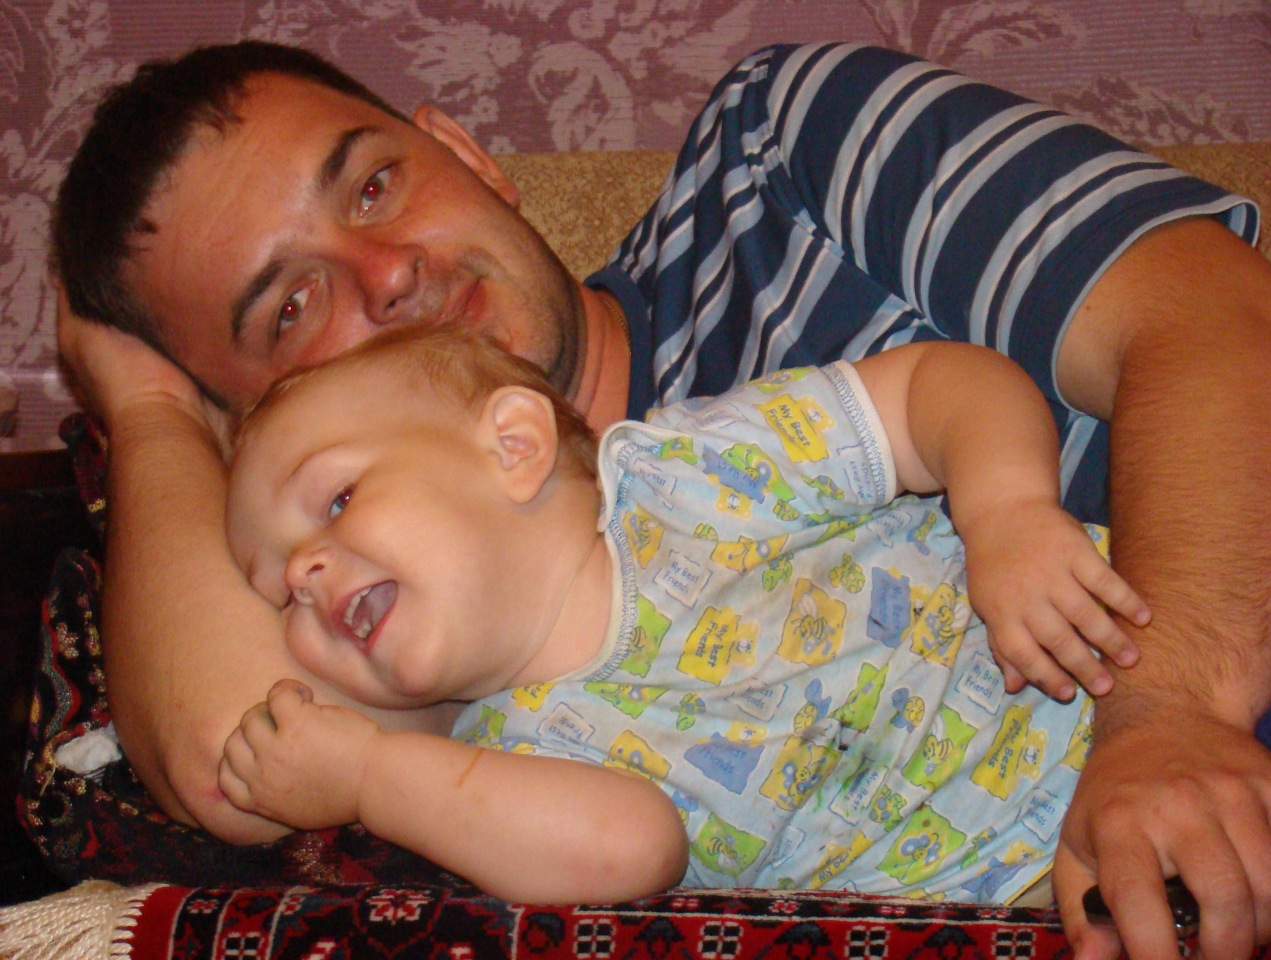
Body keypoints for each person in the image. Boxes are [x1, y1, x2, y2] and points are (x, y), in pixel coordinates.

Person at [51, 38, 1271, 960]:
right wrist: (150, 412)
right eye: (290, 307)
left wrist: (1164, 713)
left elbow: (1214, 322)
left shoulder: (769, 160)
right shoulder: (443, 641)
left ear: (466, 154)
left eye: (372, 188)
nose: (387, 274)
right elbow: (238, 757)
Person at [218, 326, 1147, 904]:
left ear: (513, 445)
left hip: (1121, 674)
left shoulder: (689, 469)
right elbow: (630, 848)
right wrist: (372, 774)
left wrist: (1008, 512)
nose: (304, 572)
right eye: (281, 595)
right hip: (1009, 898)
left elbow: (935, 387)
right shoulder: (493, 762)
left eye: (336, 500)